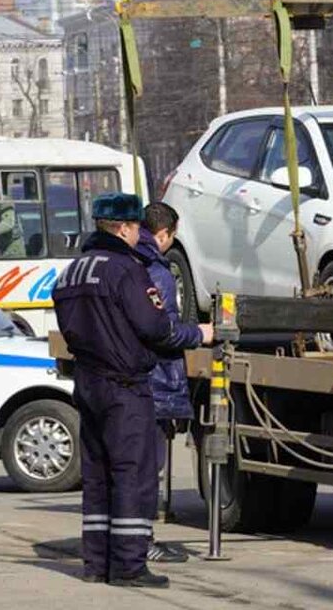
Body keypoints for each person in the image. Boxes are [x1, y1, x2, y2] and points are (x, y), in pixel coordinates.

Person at [53, 193, 212, 588]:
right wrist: (200, 333)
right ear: (123, 228)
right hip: (125, 386)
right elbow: (157, 328)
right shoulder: (127, 269)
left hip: (87, 382)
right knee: (132, 474)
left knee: (97, 474)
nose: (139, 233)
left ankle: (96, 563)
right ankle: (128, 565)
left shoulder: (72, 271)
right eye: (136, 226)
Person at [133, 202, 196, 564]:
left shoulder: (123, 261)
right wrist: (198, 333)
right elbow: (164, 331)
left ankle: (130, 541)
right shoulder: (158, 272)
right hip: (155, 381)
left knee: (128, 467)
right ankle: (142, 544)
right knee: (146, 468)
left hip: (130, 379)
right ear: (164, 233)